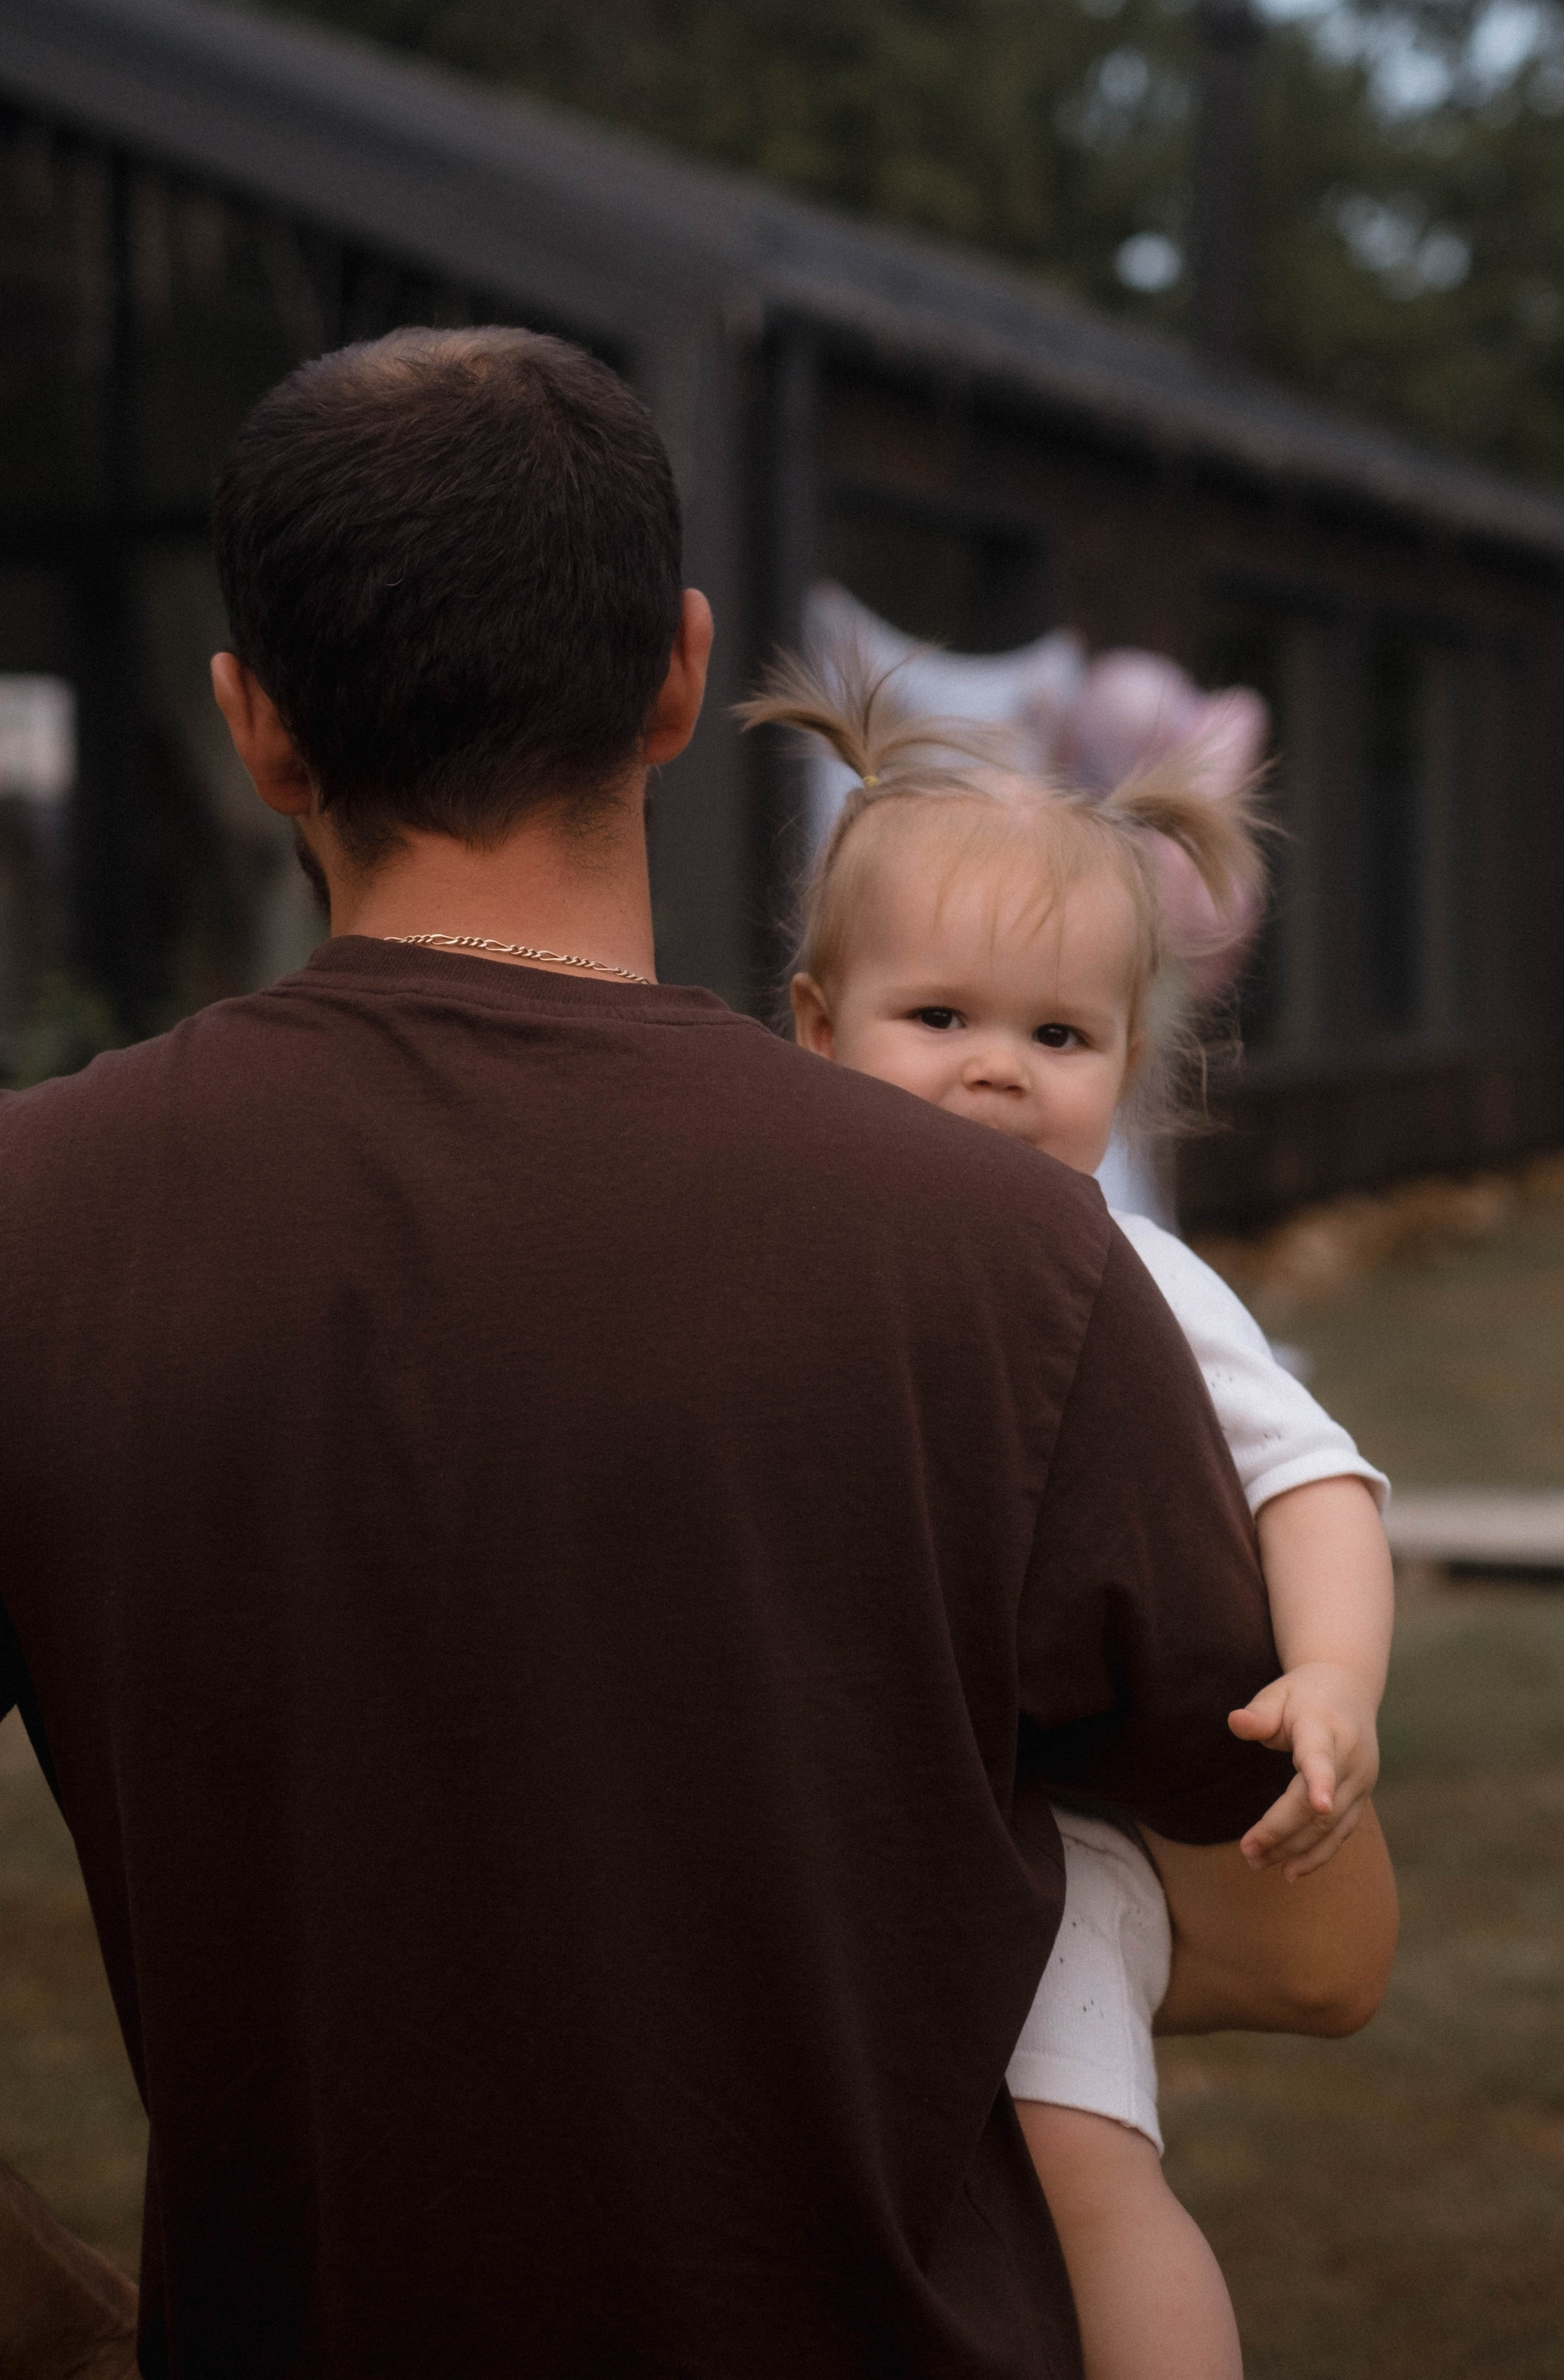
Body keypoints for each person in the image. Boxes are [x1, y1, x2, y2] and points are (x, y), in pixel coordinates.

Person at [0, 327, 1397, 2380]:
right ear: (677, 675)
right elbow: (1318, 1941)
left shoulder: (34, 1224)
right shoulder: (1011, 1259)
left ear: (256, 727)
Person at [758, 652, 1397, 2380]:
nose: (997, 1074)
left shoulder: (1122, 1273)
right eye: (940, 1019)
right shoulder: (776, 1263)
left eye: (1058, 1038)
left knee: (1075, 2168)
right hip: (866, 1817)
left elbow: (1313, 1475)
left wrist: (1331, 1682)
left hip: (1059, 1845)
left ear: (1128, 1064)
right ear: (815, 1028)